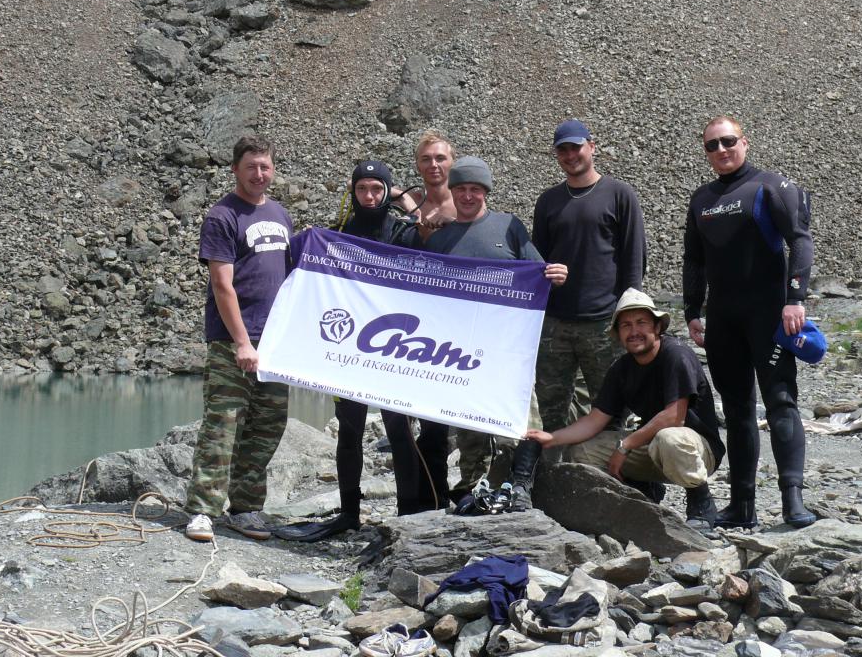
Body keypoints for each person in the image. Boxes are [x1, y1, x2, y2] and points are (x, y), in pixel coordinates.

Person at [274, 161, 447, 543]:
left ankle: (405, 514)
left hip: (394, 348)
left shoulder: (403, 232)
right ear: (351, 193)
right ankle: (349, 513)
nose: (369, 197)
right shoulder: (336, 234)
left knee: (400, 430)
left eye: (376, 189)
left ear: (388, 191)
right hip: (351, 346)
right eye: (362, 189)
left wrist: (416, 219)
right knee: (348, 430)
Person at [682, 115, 816, 529]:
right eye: (712, 146)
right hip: (723, 318)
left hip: (768, 312)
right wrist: (692, 311)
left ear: (745, 141)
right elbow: (694, 260)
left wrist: (795, 299)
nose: (721, 151)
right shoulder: (701, 199)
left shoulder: (771, 187)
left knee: (780, 401)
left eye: (728, 142)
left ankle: (793, 501)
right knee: (737, 411)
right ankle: (742, 506)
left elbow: (800, 240)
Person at [424, 156, 568, 510]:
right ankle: (473, 484)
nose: (468, 196)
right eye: (461, 189)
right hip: (458, 348)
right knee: (468, 419)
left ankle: (520, 484)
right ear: (451, 191)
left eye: (475, 189)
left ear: (486, 191)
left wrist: (556, 275)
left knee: (522, 414)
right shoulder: (439, 236)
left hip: (507, 346)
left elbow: (538, 272)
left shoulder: (509, 227)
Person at [525, 289, 724, 530]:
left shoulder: (676, 355)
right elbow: (596, 420)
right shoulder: (621, 369)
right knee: (583, 450)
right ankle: (637, 493)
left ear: (657, 327)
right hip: (653, 447)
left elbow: (674, 416)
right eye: (626, 325)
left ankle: (700, 501)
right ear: (618, 334)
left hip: (697, 449)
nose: (634, 332)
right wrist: (552, 438)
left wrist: (626, 445)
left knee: (669, 438)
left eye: (641, 323)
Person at [185, 134, 293, 543]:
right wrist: (242, 342)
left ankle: (247, 508)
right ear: (236, 169)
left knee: (266, 428)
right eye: (251, 166)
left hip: (275, 344)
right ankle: (201, 510)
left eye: (265, 166)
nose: (259, 174)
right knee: (223, 426)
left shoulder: (281, 215)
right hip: (234, 343)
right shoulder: (222, 217)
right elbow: (221, 284)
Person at [532, 119, 647, 433]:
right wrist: (545, 275)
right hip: (555, 322)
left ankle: (609, 474)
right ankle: (551, 473)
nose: (571, 155)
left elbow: (633, 259)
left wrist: (630, 315)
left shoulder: (620, 194)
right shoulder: (548, 201)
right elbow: (536, 261)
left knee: (612, 406)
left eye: (576, 147)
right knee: (550, 407)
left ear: (592, 147)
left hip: (604, 323)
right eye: (563, 150)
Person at [393, 130, 458, 240]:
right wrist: (403, 197)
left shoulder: (465, 201)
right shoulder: (411, 197)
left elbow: (480, 234)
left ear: (453, 163)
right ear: (417, 166)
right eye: (426, 159)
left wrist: (453, 224)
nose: (433, 165)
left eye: (440, 158)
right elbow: (357, 185)